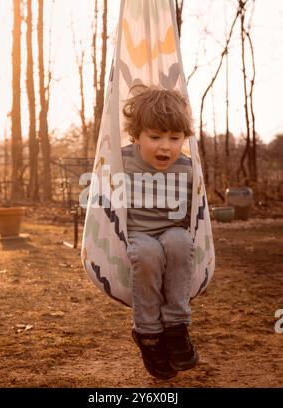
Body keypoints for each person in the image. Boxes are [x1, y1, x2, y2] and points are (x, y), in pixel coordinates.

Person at [121, 85, 198, 380]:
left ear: (184, 138)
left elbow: (197, 213)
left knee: (180, 242)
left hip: (172, 230)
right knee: (147, 252)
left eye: (175, 138)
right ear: (137, 135)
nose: (165, 146)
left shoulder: (189, 169)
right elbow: (103, 202)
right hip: (137, 233)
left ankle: (177, 326)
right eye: (155, 137)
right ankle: (148, 331)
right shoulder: (122, 162)